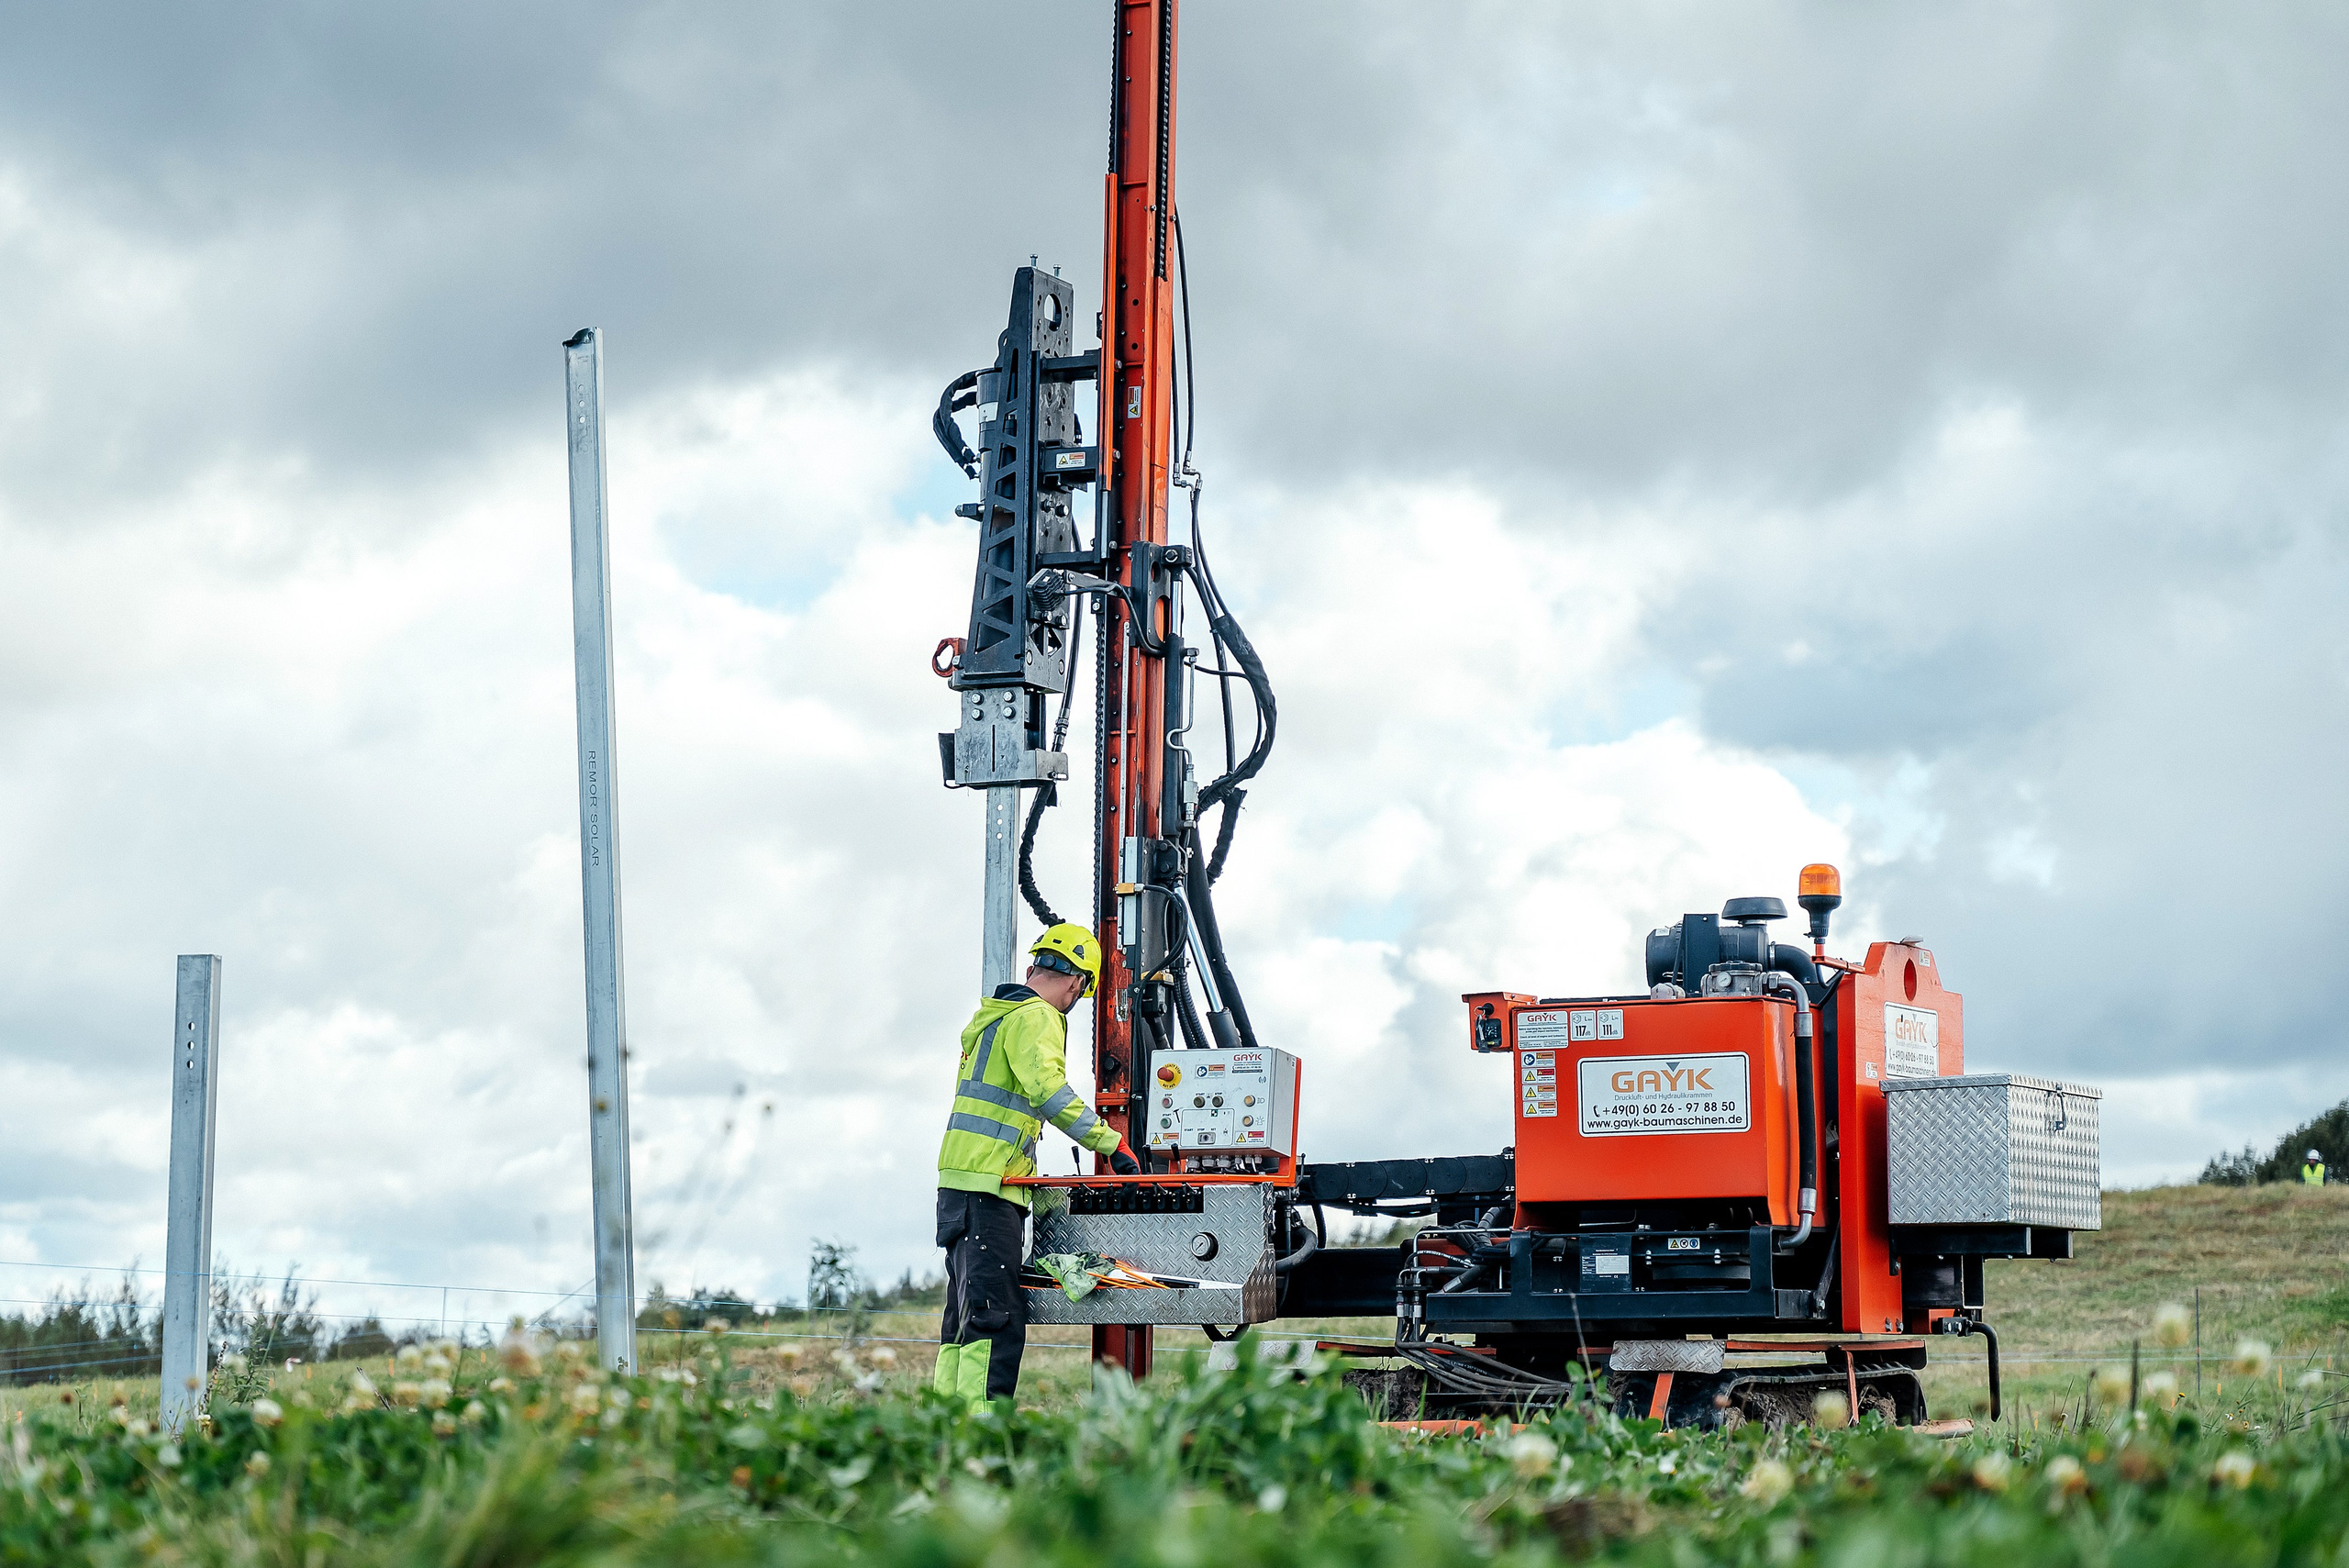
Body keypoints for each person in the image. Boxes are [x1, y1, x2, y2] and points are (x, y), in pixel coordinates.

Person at [933, 922, 1141, 1407]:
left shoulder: (996, 1018)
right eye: (1082, 991)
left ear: (1034, 966)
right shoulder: (1038, 1017)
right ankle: (982, 1442)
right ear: (1076, 983)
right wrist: (1112, 1144)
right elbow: (1049, 1093)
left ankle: (945, 1429)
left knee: (964, 1320)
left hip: (961, 1186)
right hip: (991, 1188)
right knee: (996, 1321)